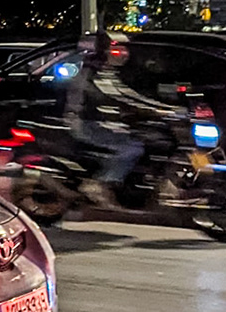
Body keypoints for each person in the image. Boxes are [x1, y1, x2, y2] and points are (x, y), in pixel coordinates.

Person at [63, 35, 167, 206]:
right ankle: (101, 182)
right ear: (104, 51)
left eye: (125, 48)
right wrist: (155, 110)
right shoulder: (92, 73)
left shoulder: (108, 72)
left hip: (98, 122)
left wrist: (161, 107)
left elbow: (127, 94)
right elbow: (117, 96)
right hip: (84, 124)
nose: (123, 53)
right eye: (117, 48)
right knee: (132, 149)